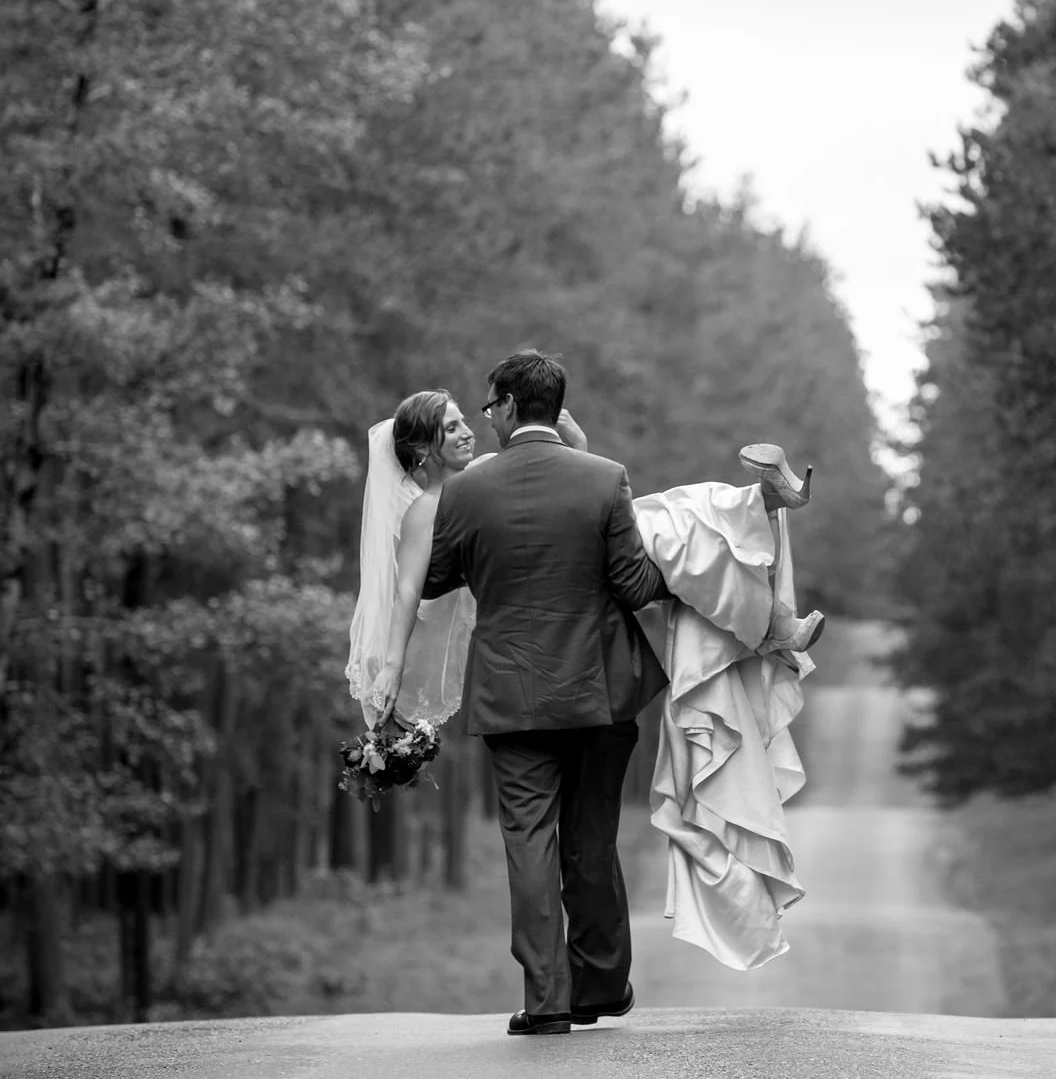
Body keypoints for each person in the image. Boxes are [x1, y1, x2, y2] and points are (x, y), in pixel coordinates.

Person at [344, 352, 821, 1038]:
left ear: (508, 407)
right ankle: (600, 982)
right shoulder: (603, 479)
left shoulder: (463, 495)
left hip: (513, 698)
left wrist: (393, 675)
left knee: (529, 840)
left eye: (486, 407)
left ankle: (546, 1001)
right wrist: (678, 589)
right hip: (601, 690)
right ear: (552, 407)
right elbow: (631, 584)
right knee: (591, 838)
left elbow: (434, 579)